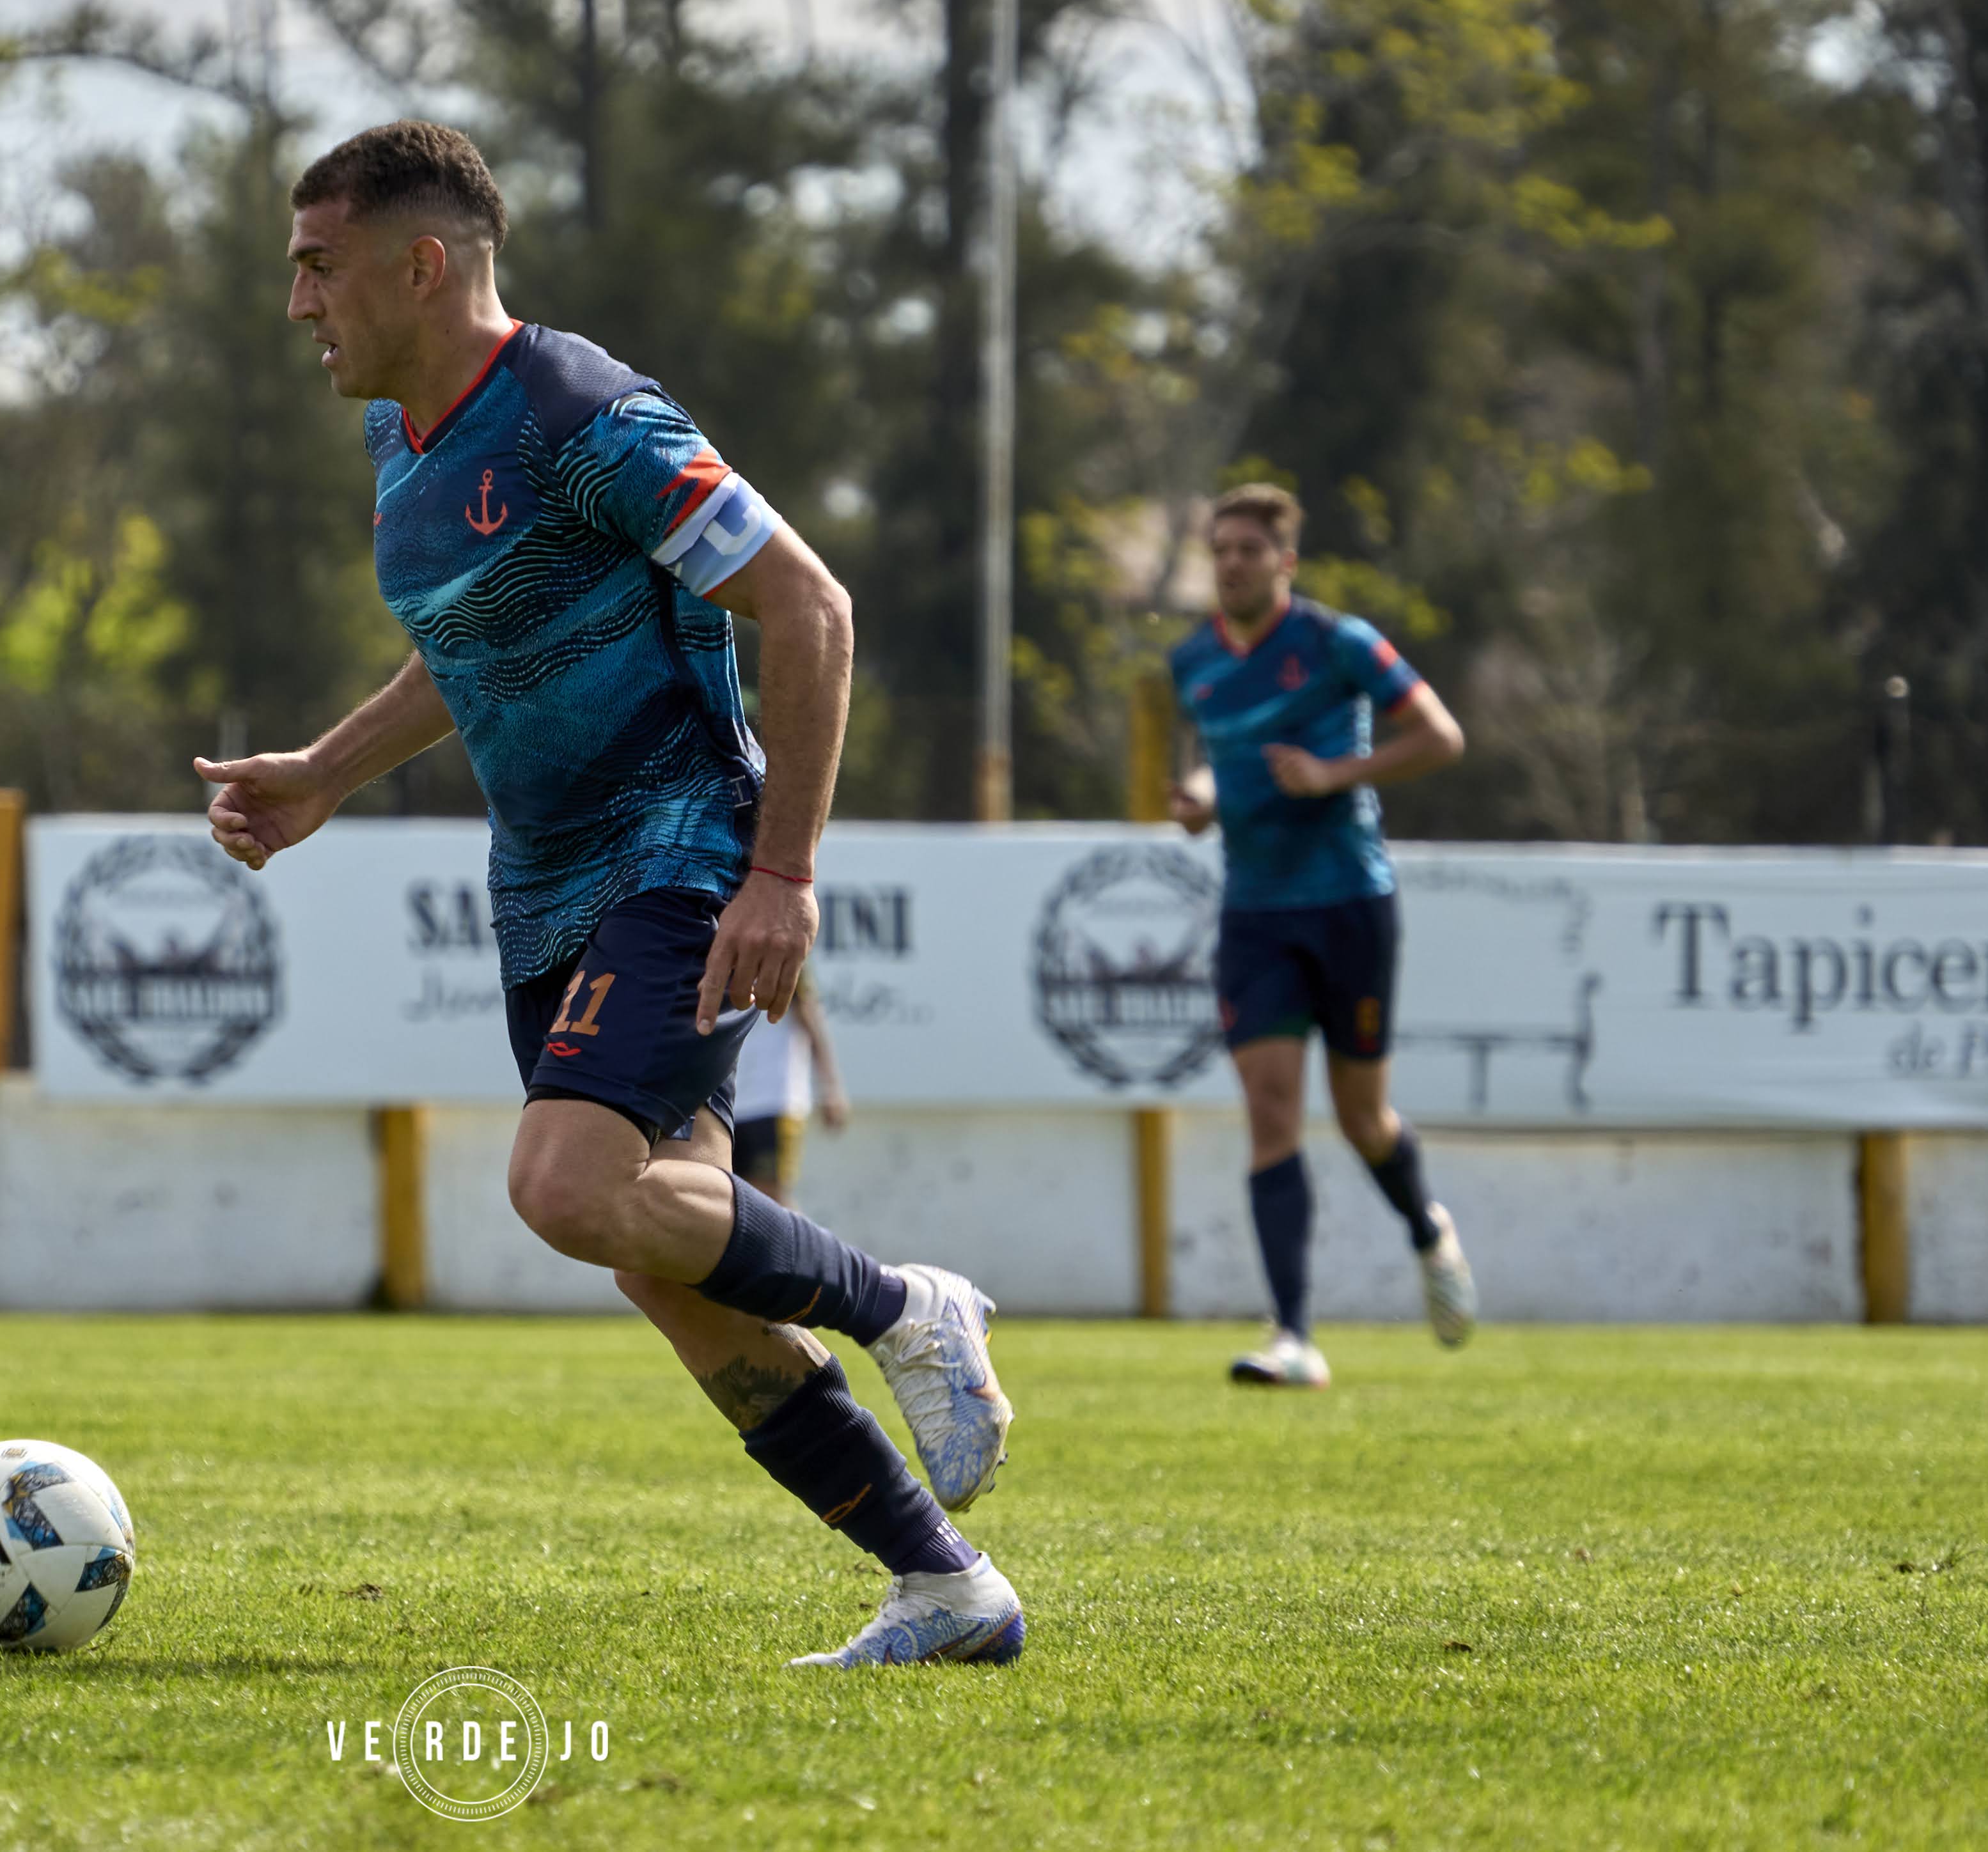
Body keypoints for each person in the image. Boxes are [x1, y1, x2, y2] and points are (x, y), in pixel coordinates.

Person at [200, 120, 1019, 1669]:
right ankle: (946, 1588)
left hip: (677, 846)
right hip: (541, 891)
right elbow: (472, 642)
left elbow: (808, 604)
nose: (297, 302)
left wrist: (779, 870)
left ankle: (908, 1304)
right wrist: (324, 769)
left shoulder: (582, 411)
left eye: (316, 267)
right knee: (670, 1272)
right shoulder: (404, 441)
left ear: (418, 264)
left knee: (563, 1187)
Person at [1167, 484, 1478, 1389]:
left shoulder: (1338, 641)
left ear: (1285, 561)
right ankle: (1294, 1335)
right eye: (1220, 548)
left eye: (1248, 549)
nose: (1231, 563)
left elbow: (1441, 735)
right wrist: (1203, 796)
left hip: (1349, 899)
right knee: (1270, 1108)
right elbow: (1222, 760)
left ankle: (1427, 1227)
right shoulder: (1191, 661)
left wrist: (1337, 772)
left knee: (1361, 1117)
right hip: (1253, 910)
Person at [729, 967, 849, 1206]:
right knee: (728, 1202)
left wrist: (831, 1089)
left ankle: (804, 1246)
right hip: (727, 1104)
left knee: (772, 1202)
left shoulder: (782, 949)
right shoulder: (713, 945)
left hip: (774, 1101)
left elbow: (810, 1019)